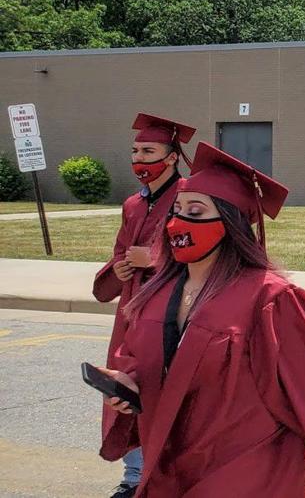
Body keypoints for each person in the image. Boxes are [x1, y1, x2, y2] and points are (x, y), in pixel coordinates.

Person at [98, 142, 305, 497]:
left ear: (229, 224)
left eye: (196, 213)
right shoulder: (158, 291)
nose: (179, 223)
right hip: (171, 454)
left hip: (244, 460)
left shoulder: (270, 297)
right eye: (176, 211)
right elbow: (138, 355)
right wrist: (128, 381)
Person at [92, 113, 195, 498]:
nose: (139, 159)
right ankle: (135, 477)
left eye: (149, 151)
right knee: (128, 387)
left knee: (166, 388)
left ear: (171, 157)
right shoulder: (133, 204)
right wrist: (119, 267)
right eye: (135, 151)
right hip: (132, 311)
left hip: (175, 310)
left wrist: (154, 258)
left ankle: (172, 475)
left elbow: (205, 251)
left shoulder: (190, 197)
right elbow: (121, 252)